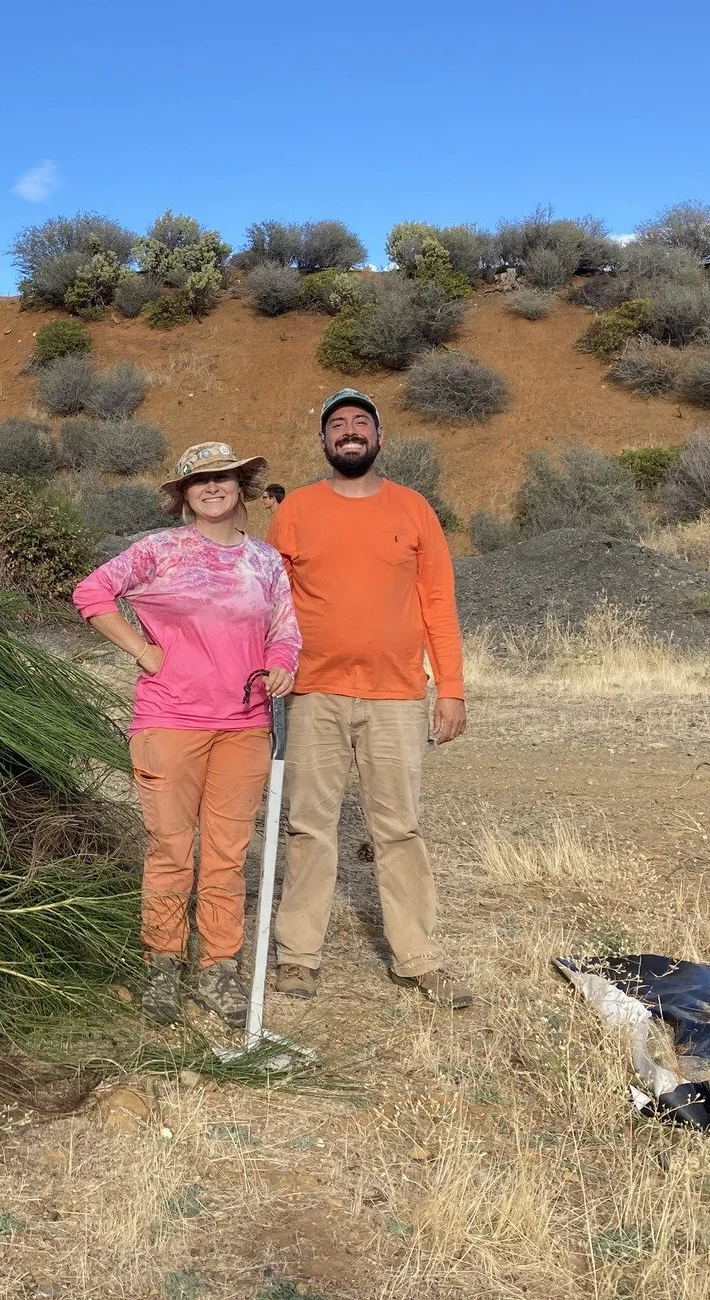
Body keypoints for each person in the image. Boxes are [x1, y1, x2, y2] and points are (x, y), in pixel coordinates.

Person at [72, 441, 301, 1025]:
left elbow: (285, 631)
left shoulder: (266, 563)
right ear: (184, 495)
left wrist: (280, 665)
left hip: (245, 728)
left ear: (240, 485)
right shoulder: (159, 550)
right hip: (169, 723)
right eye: (199, 481)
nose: (213, 487)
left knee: (226, 854)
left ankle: (217, 968)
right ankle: (163, 965)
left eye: (223, 476)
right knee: (171, 849)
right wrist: (144, 652)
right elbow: (91, 594)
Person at [265, 389, 472, 1009]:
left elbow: (438, 603)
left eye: (361, 423)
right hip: (313, 694)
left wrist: (452, 689)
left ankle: (417, 959)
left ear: (379, 439)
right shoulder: (297, 509)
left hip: (397, 696)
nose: (349, 432)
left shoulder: (414, 510)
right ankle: (298, 957)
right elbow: (272, 602)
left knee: (399, 829)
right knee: (308, 828)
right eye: (337, 425)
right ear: (325, 441)